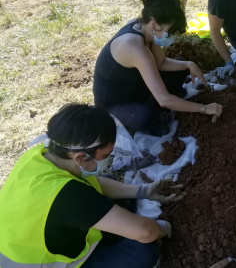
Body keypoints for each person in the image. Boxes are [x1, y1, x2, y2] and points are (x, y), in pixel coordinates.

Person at [0, 104, 184, 268]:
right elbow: (146, 232)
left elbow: (92, 186)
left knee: (117, 194)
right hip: (40, 262)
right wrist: (161, 229)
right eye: (105, 155)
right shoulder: (69, 196)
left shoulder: (41, 154)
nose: (109, 160)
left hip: (30, 238)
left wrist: (143, 191)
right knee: (143, 252)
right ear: (80, 157)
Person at [93, 0, 222, 136]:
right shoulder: (134, 48)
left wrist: (188, 64)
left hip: (134, 86)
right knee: (143, 117)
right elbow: (164, 99)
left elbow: (161, 63)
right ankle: (157, 113)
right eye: (170, 31)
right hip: (114, 103)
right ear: (155, 24)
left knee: (181, 65)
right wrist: (203, 108)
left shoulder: (146, 28)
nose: (171, 36)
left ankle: (163, 104)